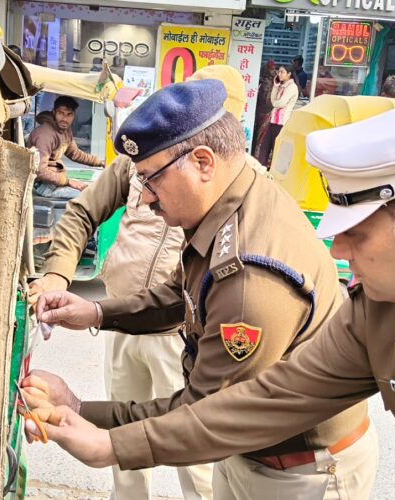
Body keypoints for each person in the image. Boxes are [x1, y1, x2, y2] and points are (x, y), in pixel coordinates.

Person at [25, 89, 395, 500]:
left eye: (357, 232)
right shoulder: (381, 311)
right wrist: (105, 436)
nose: (338, 250)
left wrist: (107, 435)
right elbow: (266, 401)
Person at [28, 79, 378, 499]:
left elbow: (202, 411)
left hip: (298, 471)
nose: (146, 199)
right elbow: (182, 296)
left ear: (203, 162)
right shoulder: (230, 200)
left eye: (151, 181)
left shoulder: (249, 275)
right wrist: (97, 312)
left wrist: (87, 419)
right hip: (251, 451)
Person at [27, 65, 265, 500]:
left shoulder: (243, 181)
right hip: (121, 320)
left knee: (193, 452)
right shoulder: (146, 155)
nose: (152, 193)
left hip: (181, 335)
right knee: (120, 444)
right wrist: (57, 274)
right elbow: (83, 211)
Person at [29, 95, 105, 199]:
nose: (65, 119)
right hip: (42, 185)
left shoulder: (65, 130)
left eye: (69, 114)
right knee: (90, 198)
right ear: (54, 112)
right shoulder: (45, 135)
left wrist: (100, 162)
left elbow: (75, 153)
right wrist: (68, 182)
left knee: (97, 190)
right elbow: (40, 171)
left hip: (57, 179)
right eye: (61, 113)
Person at [255, 66, 299, 167]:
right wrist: (275, 86)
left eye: (282, 72)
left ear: (289, 74)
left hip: (282, 123)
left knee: (277, 150)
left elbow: (280, 103)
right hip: (273, 121)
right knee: (264, 148)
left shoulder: (292, 87)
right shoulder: (281, 86)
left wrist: (275, 102)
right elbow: (273, 101)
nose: (279, 74)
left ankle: (272, 173)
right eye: (279, 72)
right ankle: (261, 170)